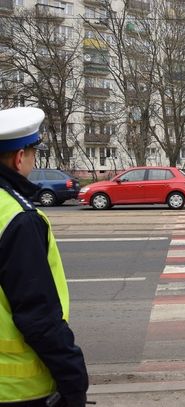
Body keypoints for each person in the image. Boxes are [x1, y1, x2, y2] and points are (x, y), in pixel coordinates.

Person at [0, 107, 88, 406]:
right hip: (17, 388)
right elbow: (38, 316)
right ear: (19, 157)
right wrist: (74, 381)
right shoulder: (18, 217)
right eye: (33, 153)